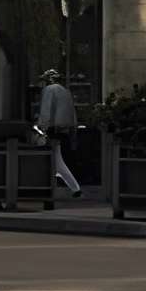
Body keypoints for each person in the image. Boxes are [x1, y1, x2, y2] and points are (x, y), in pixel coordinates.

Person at [35, 69, 84, 198]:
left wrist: (42, 126)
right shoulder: (65, 91)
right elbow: (72, 113)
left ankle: (47, 188)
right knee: (57, 160)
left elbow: (46, 110)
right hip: (64, 130)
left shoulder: (49, 90)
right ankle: (74, 188)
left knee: (53, 159)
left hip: (53, 129)